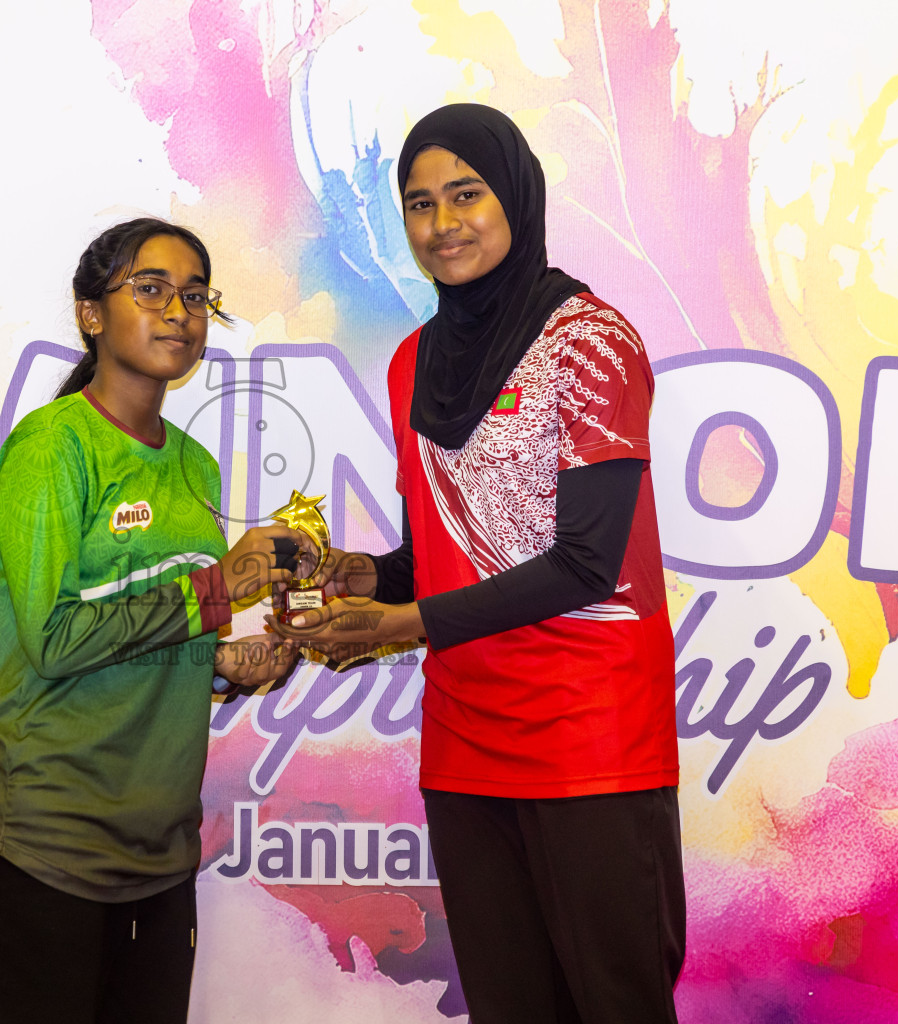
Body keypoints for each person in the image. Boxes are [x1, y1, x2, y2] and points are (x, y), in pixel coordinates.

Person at [275, 104, 685, 1022]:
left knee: (617, 1004)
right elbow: (442, 556)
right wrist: (360, 577)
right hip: (466, 742)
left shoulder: (592, 343)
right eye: (419, 205)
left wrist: (404, 625)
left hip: (592, 742)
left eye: (466, 194)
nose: (442, 224)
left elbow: (587, 565)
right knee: (510, 1005)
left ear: (516, 196)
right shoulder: (416, 360)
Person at [0, 217, 305, 1023]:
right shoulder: (53, 447)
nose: (178, 312)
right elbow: (52, 641)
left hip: (159, 854)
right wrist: (219, 592)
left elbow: (159, 625)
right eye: (150, 289)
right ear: (91, 313)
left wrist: (224, 663)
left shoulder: (195, 466)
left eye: (195, 296)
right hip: (44, 845)